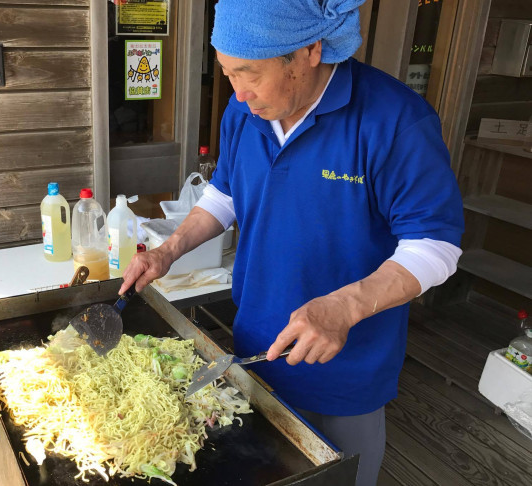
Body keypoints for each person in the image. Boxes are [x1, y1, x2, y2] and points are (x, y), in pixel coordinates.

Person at [119, 0, 464, 484]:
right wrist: (167, 249)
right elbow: (226, 193)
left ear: (309, 52)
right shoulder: (245, 115)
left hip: (345, 369)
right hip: (254, 351)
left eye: (249, 74)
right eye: (227, 74)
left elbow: (435, 245)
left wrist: (344, 307)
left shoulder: (394, 120)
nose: (239, 94)